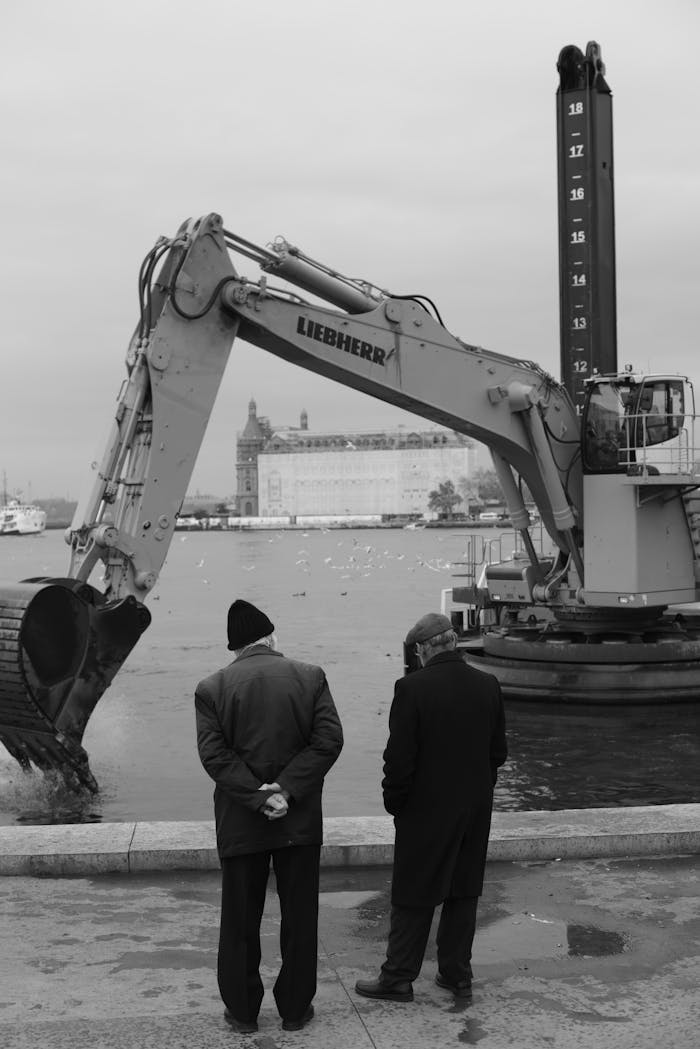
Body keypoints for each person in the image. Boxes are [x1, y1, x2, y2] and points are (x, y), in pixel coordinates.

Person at [195, 598, 343, 1034]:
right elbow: (328, 740)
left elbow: (214, 757)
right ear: (271, 637)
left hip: (242, 822)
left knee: (240, 921)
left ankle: (243, 1013)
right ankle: (295, 1011)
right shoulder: (310, 676)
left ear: (235, 648)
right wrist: (287, 791)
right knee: (300, 918)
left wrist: (259, 798)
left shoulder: (211, 688)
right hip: (298, 822)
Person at [355, 612, 507, 1003]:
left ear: (423, 649)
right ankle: (456, 975)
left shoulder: (411, 689)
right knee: (463, 890)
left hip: (425, 810)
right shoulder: (488, 684)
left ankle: (398, 977)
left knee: (414, 892)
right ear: (455, 642)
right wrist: (479, 790)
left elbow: (399, 759)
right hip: (475, 808)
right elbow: (498, 752)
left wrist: (396, 802)